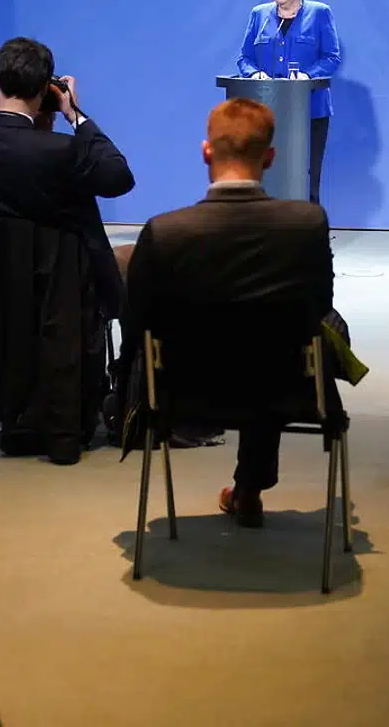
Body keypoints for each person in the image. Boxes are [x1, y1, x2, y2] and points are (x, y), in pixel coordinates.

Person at [126, 98, 334, 527]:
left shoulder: (164, 233)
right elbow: (320, 306)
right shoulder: (306, 225)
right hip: (285, 388)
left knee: (244, 341)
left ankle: (246, 489)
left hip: (182, 392)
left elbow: (138, 321)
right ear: (270, 157)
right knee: (278, 340)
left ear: (206, 151)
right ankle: (249, 489)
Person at [0, 36, 134, 319]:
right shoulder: (64, 150)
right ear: (45, 89)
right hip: (60, 293)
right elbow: (119, 178)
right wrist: (75, 116)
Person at [236, 0, 342, 205]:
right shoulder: (259, 15)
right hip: (266, 111)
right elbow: (244, 58)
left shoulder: (319, 13)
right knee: (266, 175)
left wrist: (308, 75)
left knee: (306, 177)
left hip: (309, 111)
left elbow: (331, 57)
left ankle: (308, 224)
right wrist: (255, 74)